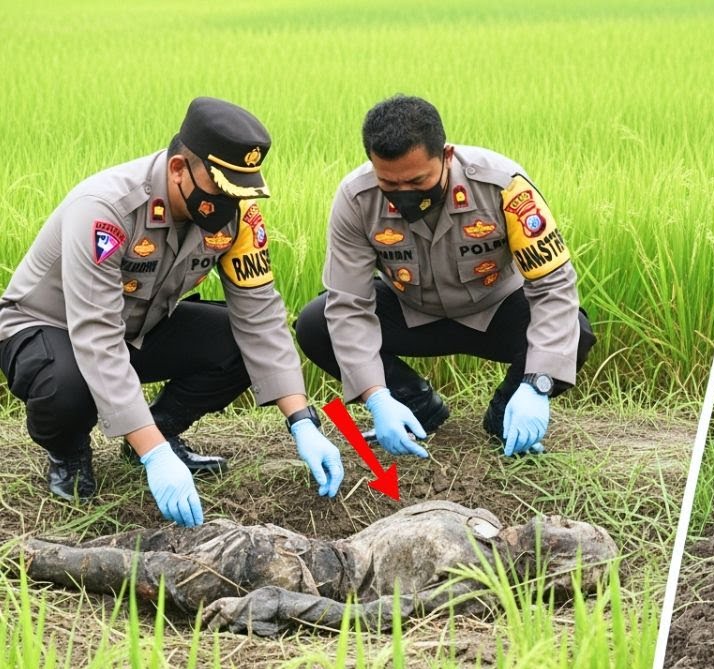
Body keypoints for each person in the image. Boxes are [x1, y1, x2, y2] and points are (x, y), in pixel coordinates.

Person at [0, 98, 345, 527]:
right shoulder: (107, 210)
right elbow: (97, 337)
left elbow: (260, 316)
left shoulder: (236, 216)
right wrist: (156, 457)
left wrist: (302, 422)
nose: (228, 204)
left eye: (239, 191)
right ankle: (69, 453)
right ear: (180, 168)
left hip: (140, 327)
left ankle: (159, 428)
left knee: (237, 345)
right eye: (220, 188)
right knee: (68, 386)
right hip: (51, 328)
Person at [296, 96, 595, 459]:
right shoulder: (356, 198)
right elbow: (349, 304)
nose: (404, 194)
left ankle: (506, 417)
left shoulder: (503, 185)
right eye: (389, 182)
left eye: (418, 180)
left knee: (574, 331)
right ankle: (414, 408)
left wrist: (539, 383)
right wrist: (375, 396)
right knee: (317, 323)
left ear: (447, 156)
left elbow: (553, 286)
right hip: (411, 311)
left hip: (495, 309)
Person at [20, 500, 619, 636]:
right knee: (142, 538)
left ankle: (20, 557)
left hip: (291, 574)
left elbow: (377, 617)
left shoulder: (476, 586)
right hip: (283, 540)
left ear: (554, 564)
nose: (556, 521)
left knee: (130, 568)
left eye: (568, 534)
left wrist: (280, 604)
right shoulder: (486, 522)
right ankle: (31, 546)